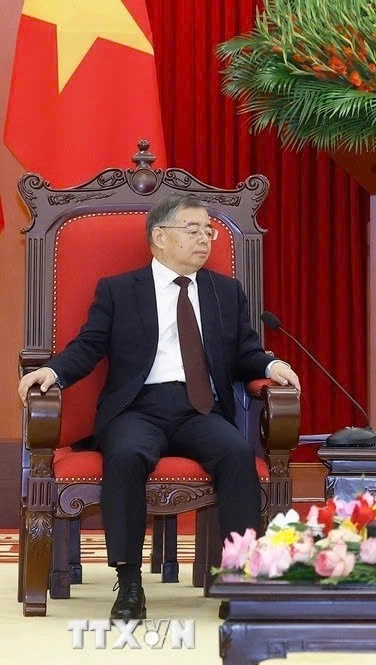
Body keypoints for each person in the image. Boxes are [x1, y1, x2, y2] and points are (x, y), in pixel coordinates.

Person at [17, 194, 301, 620]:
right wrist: (53, 374)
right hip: (137, 408)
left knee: (238, 453)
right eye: (193, 230)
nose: (205, 239)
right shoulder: (119, 290)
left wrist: (271, 363)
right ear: (160, 238)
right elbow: (89, 345)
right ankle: (129, 581)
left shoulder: (224, 291)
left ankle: (240, 578)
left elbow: (245, 351)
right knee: (127, 454)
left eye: (209, 231)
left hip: (200, 409)